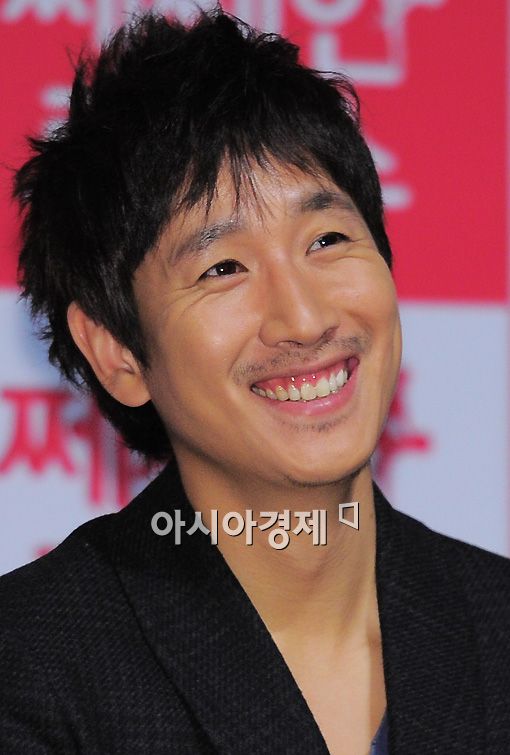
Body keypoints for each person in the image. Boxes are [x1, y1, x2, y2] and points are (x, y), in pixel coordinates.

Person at [1, 7, 509, 754]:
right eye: (223, 268)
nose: (303, 318)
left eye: (327, 239)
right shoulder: (33, 668)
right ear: (118, 352)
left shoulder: (494, 624)